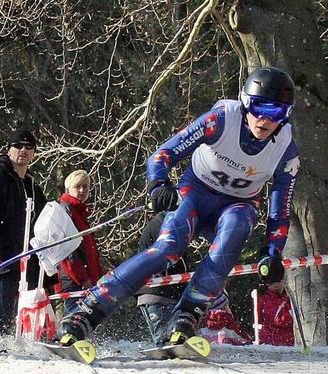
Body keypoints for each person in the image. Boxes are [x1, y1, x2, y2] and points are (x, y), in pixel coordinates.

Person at [56, 66, 300, 347]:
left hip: (236, 205)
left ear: (286, 116)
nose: (265, 119)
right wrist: (158, 184)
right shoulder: (220, 120)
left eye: (276, 113)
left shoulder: (285, 148)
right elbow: (162, 154)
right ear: (245, 102)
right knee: (167, 248)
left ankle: (187, 316)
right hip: (195, 194)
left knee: (235, 230)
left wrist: (272, 253)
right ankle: (86, 312)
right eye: (259, 107)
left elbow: (280, 208)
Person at [0, 128, 47, 339]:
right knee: (0, 316)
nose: (23, 150)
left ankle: (19, 352)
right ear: (9, 149)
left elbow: (44, 221)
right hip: (2, 261)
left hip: (27, 262)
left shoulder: (31, 185)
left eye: (29, 147)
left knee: (24, 316)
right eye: (18, 146)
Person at [52, 170, 104, 320]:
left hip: (84, 277)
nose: (82, 190)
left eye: (85, 187)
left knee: (84, 320)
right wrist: (82, 278)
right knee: (75, 319)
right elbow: (67, 250)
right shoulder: (66, 210)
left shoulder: (79, 211)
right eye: (78, 186)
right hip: (72, 278)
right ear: (68, 189)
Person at [135, 211, 188, 346]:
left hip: (167, 292)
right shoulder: (165, 224)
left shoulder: (175, 224)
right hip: (155, 293)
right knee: (163, 338)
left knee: (173, 336)